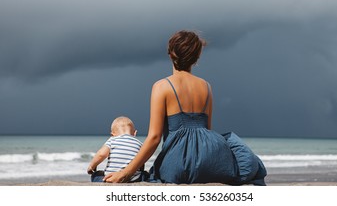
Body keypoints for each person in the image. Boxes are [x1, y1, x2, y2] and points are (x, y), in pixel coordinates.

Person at [103, 30, 266, 184]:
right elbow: (207, 131)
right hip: (210, 156)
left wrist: (126, 172)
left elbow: (154, 137)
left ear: (170, 54)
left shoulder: (162, 86)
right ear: (197, 57)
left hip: (179, 163)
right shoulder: (206, 87)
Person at [87, 116, 144, 182]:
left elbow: (101, 154)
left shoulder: (112, 140)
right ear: (134, 133)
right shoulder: (140, 144)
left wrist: (92, 166)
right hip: (134, 178)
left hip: (111, 178)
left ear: (112, 134)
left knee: (96, 175)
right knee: (144, 174)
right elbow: (141, 160)